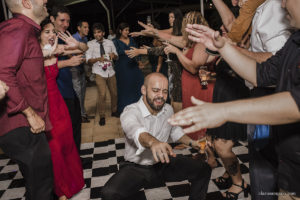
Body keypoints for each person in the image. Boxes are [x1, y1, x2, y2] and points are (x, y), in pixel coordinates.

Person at [169, 0, 300, 198]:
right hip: (290, 170)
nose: (281, 4)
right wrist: (222, 47)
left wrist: (224, 111)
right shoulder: (295, 42)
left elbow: (295, 103)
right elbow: (261, 74)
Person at [101, 73, 212, 200]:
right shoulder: (130, 111)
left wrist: (194, 143)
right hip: (136, 167)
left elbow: (175, 131)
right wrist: (153, 143)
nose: (161, 96)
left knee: (203, 169)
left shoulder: (168, 109)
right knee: (109, 193)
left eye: (165, 92)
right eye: (155, 90)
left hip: (163, 163)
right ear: (144, 90)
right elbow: (135, 129)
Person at [0, 0, 54, 199]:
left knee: (38, 186)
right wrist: (29, 113)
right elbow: (3, 73)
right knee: (42, 190)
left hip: (24, 124)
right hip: (22, 124)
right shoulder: (19, 29)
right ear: (26, 3)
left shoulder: (23, 30)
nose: (46, 1)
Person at [39, 18, 85, 200]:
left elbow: (83, 50)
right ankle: (60, 190)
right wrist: (50, 52)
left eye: (52, 32)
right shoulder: (33, 55)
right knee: (54, 148)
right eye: (47, 32)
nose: (51, 35)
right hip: (45, 107)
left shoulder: (55, 49)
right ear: (38, 36)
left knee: (67, 143)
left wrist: (78, 44)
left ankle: (73, 183)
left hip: (59, 104)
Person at [50, 6, 87, 152]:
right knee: (65, 129)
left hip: (68, 88)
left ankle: (75, 158)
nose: (65, 24)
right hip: (57, 91)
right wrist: (67, 62)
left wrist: (77, 44)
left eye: (68, 21)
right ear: (52, 19)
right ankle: (69, 159)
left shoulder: (64, 37)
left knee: (76, 124)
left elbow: (85, 48)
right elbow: (41, 64)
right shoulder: (47, 39)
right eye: (62, 20)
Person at [86, 23, 119, 126]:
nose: (97, 34)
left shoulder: (110, 42)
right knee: (102, 94)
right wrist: (98, 59)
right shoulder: (90, 44)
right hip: (98, 72)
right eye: (95, 32)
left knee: (114, 93)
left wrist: (114, 56)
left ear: (103, 33)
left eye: (99, 32)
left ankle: (114, 111)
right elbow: (88, 60)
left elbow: (116, 56)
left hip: (110, 71)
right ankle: (102, 116)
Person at [113, 22, 144, 114]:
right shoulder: (115, 41)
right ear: (120, 31)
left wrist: (139, 61)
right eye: (126, 30)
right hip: (122, 67)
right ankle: (124, 108)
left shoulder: (131, 40)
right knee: (124, 87)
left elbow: (136, 51)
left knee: (137, 85)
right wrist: (125, 52)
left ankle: (139, 107)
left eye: (128, 30)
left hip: (133, 66)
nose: (128, 32)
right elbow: (115, 54)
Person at [72, 20, 94, 123]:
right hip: (74, 69)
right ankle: (80, 115)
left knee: (83, 92)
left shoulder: (84, 38)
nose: (87, 29)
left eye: (88, 27)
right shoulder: (73, 38)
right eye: (85, 27)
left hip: (81, 68)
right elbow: (70, 54)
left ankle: (83, 113)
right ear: (79, 28)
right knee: (78, 93)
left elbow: (85, 53)